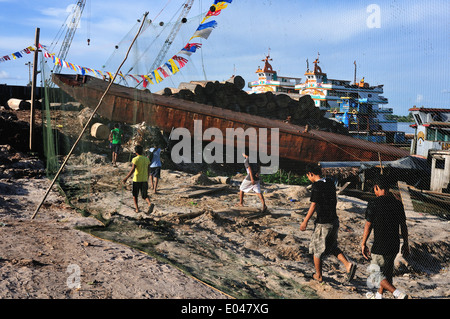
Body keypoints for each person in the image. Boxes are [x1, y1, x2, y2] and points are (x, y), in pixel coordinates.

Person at [300, 163, 356, 283]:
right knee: (332, 247)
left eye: (308, 176)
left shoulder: (316, 186)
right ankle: (348, 265)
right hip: (333, 220)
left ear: (310, 174)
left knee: (317, 249)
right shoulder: (330, 182)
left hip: (323, 222)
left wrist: (305, 221)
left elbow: (313, 205)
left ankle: (318, 275)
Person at [361, 176, 409, 299]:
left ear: (377, 187)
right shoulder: (398, 204)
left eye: (374, 189)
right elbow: (403, 226)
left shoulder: (373, 203)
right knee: (386, 273)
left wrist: (363, 243)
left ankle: (397, 293)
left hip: (380, 245)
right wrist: (406, 243)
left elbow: (368, 225)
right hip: (394, 245)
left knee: (375, 273)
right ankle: (379, 295)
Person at [122, 145, 154, 214]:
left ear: (136, 152)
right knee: (144, 195)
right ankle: (149, 203)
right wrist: (147, 177)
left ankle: (137, 209)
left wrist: (126, 178)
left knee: (135, 195)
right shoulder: (147, 159)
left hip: (136, 180)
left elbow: (133, 169)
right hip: (144, 179)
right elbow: (149, 169)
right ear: (142, 151)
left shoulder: (135, 159)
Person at [237, 148, 267, 212]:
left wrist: (252, 179)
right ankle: (264, 205)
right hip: (257, 177)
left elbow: (250, 170)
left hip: (250, 178)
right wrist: (258, 173)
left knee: (241, 189)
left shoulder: (246, 160)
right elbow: (259, 165)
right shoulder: (254, 158)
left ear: (244, 154)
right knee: (258, 192)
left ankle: (241, 203)